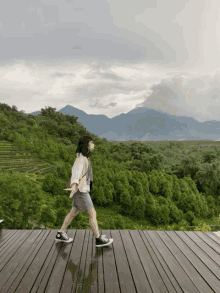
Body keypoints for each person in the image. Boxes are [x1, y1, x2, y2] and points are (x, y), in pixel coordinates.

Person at [55, 134, 113, 247]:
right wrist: (74, 184)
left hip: (80, 190)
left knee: (73, 212)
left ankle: (60, 233)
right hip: (81, 191)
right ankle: (98, 238)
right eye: (91, 143)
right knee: (92, 213)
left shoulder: (83, 158)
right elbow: (76, 173)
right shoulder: (81, 159)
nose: (93, 145)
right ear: (87, 145)